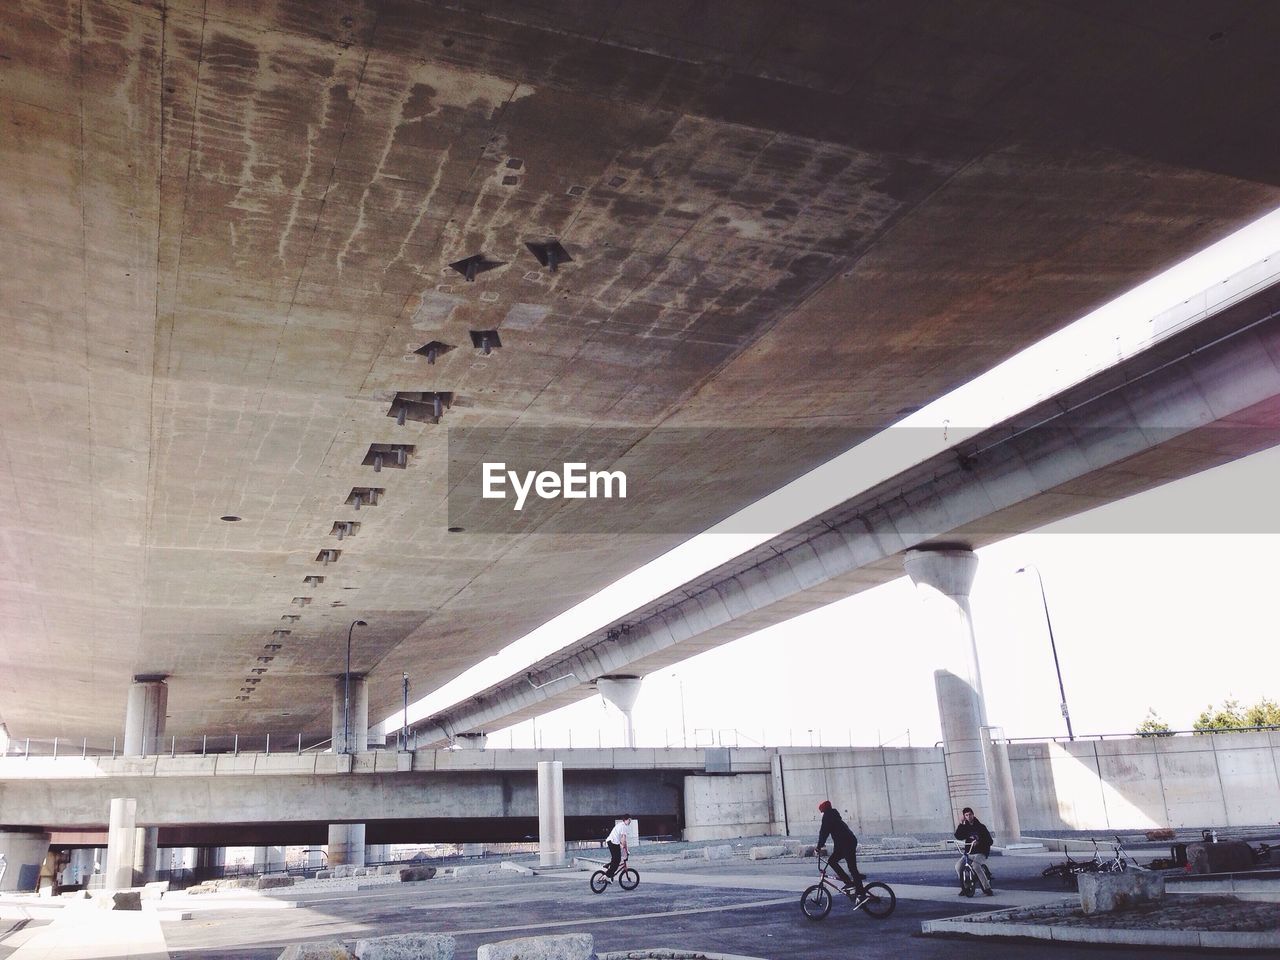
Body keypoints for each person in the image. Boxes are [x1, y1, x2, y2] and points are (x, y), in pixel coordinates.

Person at [816, 800, 865, 897]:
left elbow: (823, 833)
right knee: (834, 861)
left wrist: (818, 847)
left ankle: (860, 892)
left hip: (847, 844)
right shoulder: (834, 815)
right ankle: (851, 884)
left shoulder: (827, 817)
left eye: (821, 812)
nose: (821, 814)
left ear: (824, 811)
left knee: (850, 867)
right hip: (846, 843)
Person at [954, 806, 994, 895]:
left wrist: (979, 842)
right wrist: (961, 824)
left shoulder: (981, 827)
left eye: (970, 814)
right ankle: (965, 887)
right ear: (964, 816)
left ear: (973, 814)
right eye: (966, 815)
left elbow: (990, 841)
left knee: (976, 866)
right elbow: (958, 836)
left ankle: (987, 888)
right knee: (958, 866)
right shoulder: (965, 827)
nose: (969, 817)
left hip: (981, 852)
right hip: (969, 853)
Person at [601, 814, 632, 883]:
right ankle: (607, 876)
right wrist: (626, 851)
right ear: (626, 820)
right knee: (617, 860)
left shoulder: (620, 825)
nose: (630, 821)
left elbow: (622, 841)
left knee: (615, 859)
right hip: (613, 842)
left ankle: (608, 866)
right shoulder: (624, 826)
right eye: (630, 820)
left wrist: (624, 848)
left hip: (612, 842)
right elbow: (624, 840)